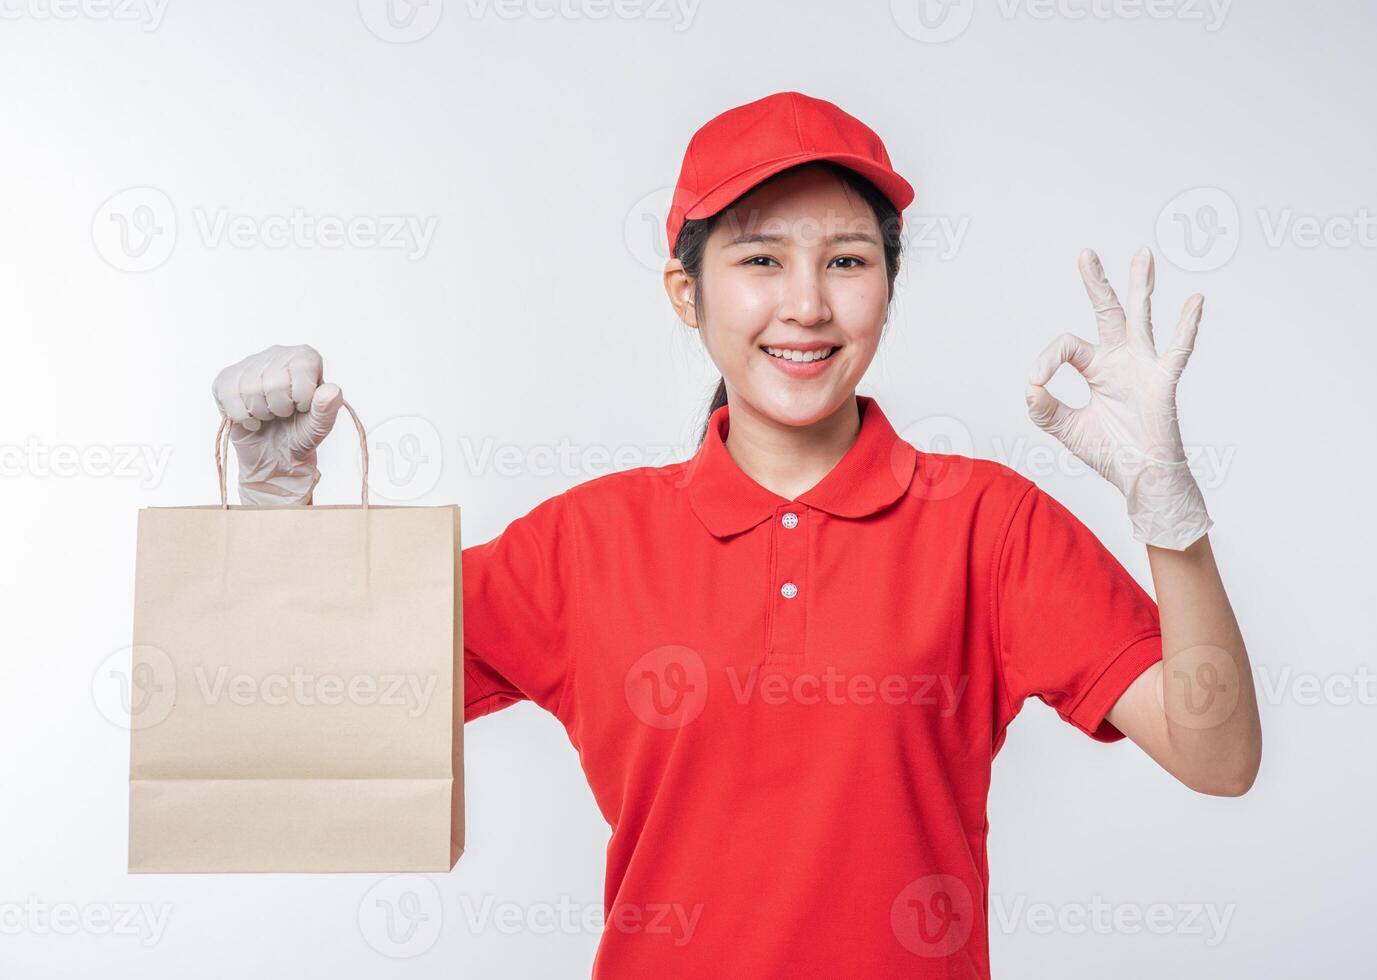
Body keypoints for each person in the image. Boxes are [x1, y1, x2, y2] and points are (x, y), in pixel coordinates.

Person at [210, 91, 1261, 979]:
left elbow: (1218, 758)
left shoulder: (985, 523)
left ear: (887, 290)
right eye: (759, 258)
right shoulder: (588, 542)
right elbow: (313, 705)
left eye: (846, 260)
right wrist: (273, 518)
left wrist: (1167, 512)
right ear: (687, 291)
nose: (804, 304)